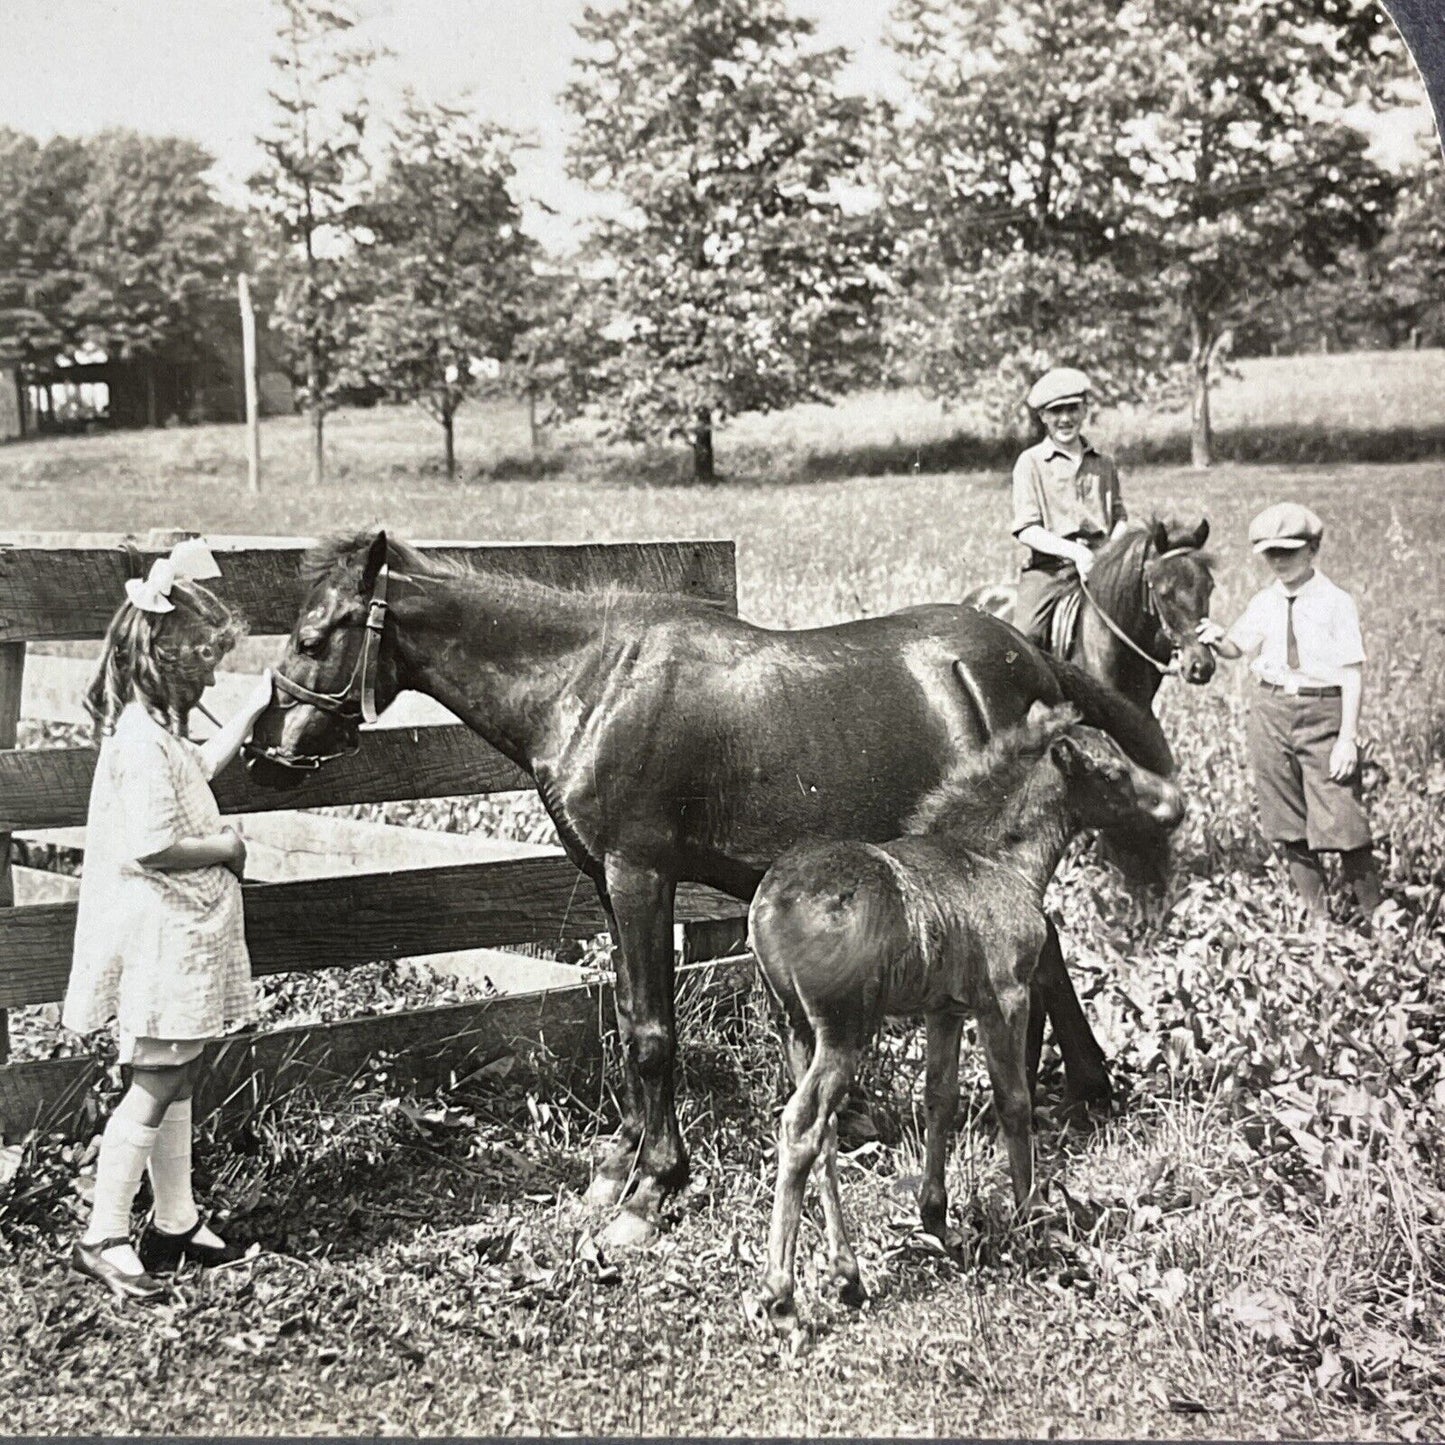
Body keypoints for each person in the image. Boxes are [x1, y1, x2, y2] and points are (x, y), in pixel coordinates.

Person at [62, 539, 274, 1300]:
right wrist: (229, 844)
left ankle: (175, 1219)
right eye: (208, 660)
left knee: (179, 1075)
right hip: (164, 937)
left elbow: (199, 769)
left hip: (185, 938)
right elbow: (155, 844)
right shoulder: (139, 743)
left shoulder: (157, 735)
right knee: (154, 1083)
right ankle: (104, 1232)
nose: (214, 671)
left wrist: (249, 708)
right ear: (171, 660)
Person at [1196, 502, 1382, 927]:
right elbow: (1237, 647)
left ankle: (1377, 919)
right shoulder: (1265, 601)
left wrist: (1347, 738)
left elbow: (1352, 673)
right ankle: (1317, 919)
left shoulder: (1336, 602)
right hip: (1270, 710)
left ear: (1312, 549)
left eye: (1289, 552)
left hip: (1322, 711)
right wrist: (1216, 637)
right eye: (1270, 554)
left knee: (1343, 815)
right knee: (1285, 815)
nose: (1279, 562)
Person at [1010, 366, 1130, 650]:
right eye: (1056, 411)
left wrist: (1109, 552)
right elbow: (1026, 529)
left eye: (1073, 409)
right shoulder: (1031, 462)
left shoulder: (1103, 463)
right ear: (1042, 417)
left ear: (1085, 410)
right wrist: (1075, 552)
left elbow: (1119, 516)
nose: (1065, 419)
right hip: (1052, 569)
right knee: (1024, 639)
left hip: (1103, 567)